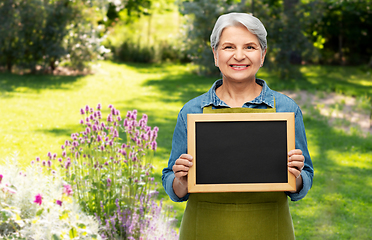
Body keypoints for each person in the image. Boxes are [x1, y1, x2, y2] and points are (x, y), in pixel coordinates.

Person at [162, 12, 314, 239]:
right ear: (215, 55)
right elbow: (171, 182)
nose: (239, 56)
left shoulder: (286, 109)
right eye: (229, 47)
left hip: (269, 227)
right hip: (204, 228)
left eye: (250, 47)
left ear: (262, 55)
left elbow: (305, 179)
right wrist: (181, 181)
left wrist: (297, 175)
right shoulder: (191, 111)